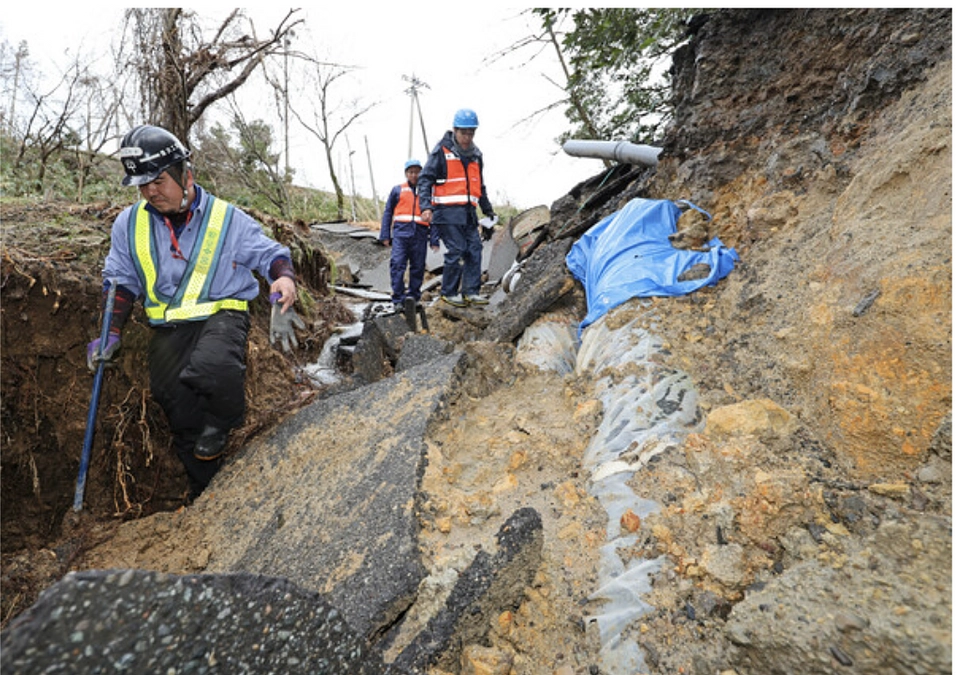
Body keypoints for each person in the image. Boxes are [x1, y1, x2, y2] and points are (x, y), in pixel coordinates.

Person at [86, 124, 302, 500]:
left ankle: (223, 421)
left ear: (186, 174)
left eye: (159, 181)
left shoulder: (226, 217)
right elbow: (120, 281)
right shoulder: (129, 223)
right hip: (169, 328)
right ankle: (205, 491)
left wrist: (283, 279)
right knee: (175, 402)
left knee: (211, 367)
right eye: (143, 185)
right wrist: (113, 332)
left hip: (223, 315)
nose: (151, 192)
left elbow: (270, 254)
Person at [418, 108, 498, 308]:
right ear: (455, 130)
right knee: (457, 249)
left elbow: (480, 186)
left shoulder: (476, 155)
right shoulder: (441, 151)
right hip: (446, 212)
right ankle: (449, 292)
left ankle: (471, 291)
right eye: (464, 133)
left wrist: (488, 211)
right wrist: (425, 206)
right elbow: (425, 179)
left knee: (475, 249)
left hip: (469, 214)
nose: (467, 137)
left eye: (471, 133)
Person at [379, 159, 439, 309]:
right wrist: (385, 234)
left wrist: (434, 239)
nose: (414, 175)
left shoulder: (428, 193)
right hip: (401, 235)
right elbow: (388, 212)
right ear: (406, 174)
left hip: (420, 234)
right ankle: (398, 299)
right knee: (397, 265)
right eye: (411, 172)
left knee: (418, 267)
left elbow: (435, 217)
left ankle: (413, 298)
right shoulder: (397, 190)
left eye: (417, 172)